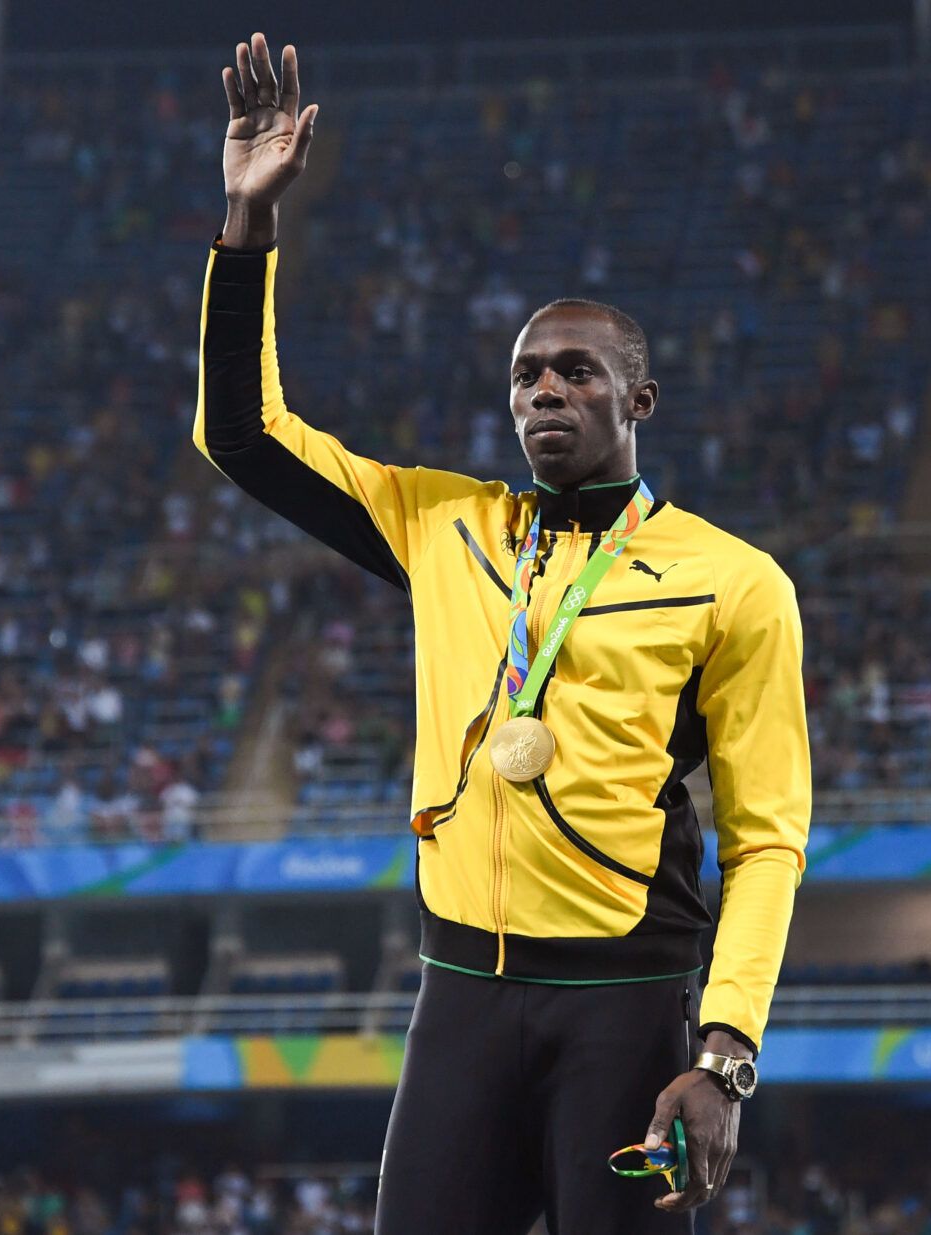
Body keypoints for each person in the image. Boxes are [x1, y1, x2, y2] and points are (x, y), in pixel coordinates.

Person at [198, 36, 811, 1234]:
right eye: (527, 373)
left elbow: (769, 842)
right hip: (459, 1002)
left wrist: (725, 1049)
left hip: (627, 1012)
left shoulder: (733, 582)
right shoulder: (444, 525)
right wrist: (246, 223)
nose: (544, 391)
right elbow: (244, 435)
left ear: (636, 400)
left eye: (576, 372)